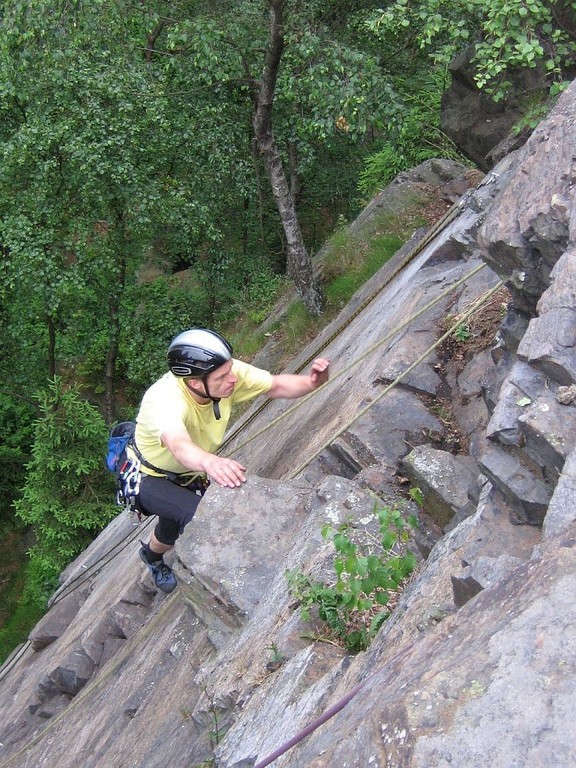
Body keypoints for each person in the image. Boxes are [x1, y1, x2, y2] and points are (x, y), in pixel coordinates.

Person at [132, 327, 330, 592]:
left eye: (231, 370)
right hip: (150, 478)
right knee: (199, 516)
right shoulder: (164, 401)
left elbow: (277, 385)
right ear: (194, 383)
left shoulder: (223, 374)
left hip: (190, 471)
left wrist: (312, 382)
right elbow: (178, 445)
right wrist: (211, 463)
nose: (234, 379)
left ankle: (151, 556)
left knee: (171, 521)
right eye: (223, 376)